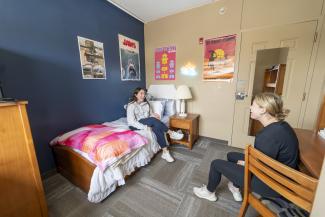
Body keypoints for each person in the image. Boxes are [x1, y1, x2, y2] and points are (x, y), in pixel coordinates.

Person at [193, 92, 299, 202]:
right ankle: (235, 186)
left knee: (216, 164)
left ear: (263, 110)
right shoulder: (282, 126)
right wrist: (248, 162)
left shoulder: (267, 136)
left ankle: (209, 192)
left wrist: (247, 164)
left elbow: (262, 168)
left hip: (272, 185)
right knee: (231, 155)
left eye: (253, 105)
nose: (250, 107)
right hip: (281, 177)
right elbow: (267, 160)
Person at [127, 87, 184, 163]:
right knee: (154, 121)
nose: (143, 95)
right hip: (135, 124)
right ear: (136, 95)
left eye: (144, 93)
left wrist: (154, 115)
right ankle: (171, 133)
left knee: (157, 127)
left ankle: (165, 152)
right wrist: (145, 127)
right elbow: (131, 122)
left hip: (146, 121)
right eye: (141, 93)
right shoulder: (131, 106)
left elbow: (150, 115)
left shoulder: (147, 104)